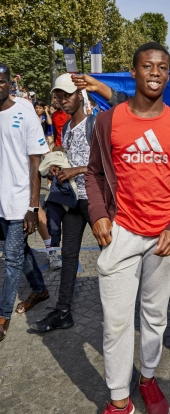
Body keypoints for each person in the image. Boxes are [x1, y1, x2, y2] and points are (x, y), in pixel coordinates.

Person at [78, 42, 170, 414]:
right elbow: (93, 174)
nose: (155, 72)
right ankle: (118, 401)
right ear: (133, 71)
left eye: (163, 67)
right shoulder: (107, 122)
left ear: (168, 74)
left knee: (154, 317)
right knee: (115, 323)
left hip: (164, 238)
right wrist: (98, 214)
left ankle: (147, 378)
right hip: (121, 234)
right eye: (148, 65)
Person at [30, 74, 95, 332]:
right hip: (72, 201)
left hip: (95, 201)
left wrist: (77, 170)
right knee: (69, 257)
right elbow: (68, 156)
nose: (62, 100)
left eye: (67, 95)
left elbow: (109, 164)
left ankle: (126, 304)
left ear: (80, 94)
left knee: (112, 255)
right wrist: (59, 165)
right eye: (59, 96)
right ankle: (63, 311)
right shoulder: (66, 127)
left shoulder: (95, 124)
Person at [0, 64, 50, 341]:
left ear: (9, 83)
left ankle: (2, 315)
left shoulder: (25, 112)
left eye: (2, 81)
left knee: (11, 260)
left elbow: (35, 164)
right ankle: (40, 289)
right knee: (17, 251)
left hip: (19, 202)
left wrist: (33, 207)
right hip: (0, 202)